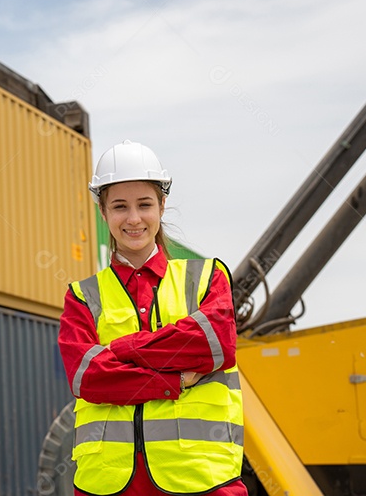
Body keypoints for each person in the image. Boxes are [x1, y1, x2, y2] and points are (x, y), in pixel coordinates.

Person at [59, 141, 246, 495]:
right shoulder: (82, 296)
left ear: (162, 206)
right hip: (108, 483)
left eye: (144, 204)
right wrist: (174, 382)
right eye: (119, 207)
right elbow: (89, 377)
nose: (133, 218)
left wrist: (122, 348)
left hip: (201, 480)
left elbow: (214, 344)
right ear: (103, 212)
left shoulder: (206, 277)